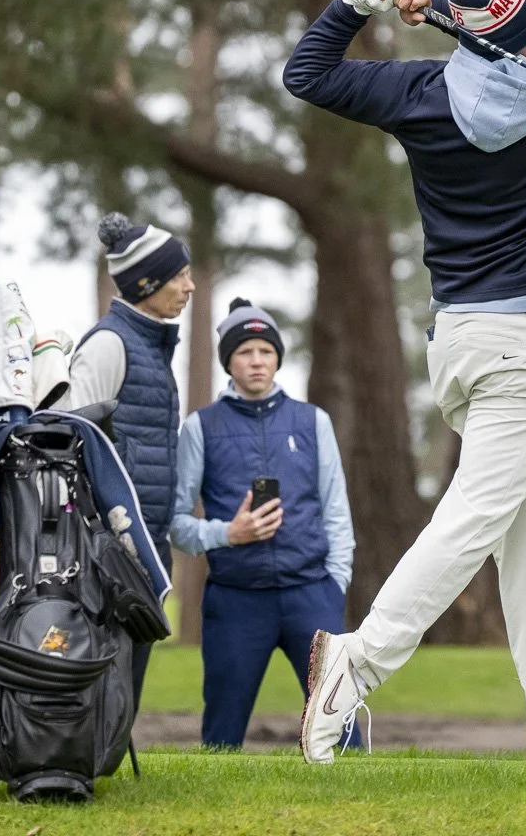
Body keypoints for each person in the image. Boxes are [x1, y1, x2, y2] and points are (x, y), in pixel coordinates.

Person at [283, 0, 526, 767]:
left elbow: (306, 73)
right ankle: (359, 659)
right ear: (524, 41)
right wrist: (463, 25)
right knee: (475, 520)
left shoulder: (415, 97)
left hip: (457, 344)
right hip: (525, 347)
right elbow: (517, 55)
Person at [170, 298, 357, 749]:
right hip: (235, 601)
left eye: (265, 351)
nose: (257, 360)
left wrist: (335, 584)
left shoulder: (313, 421)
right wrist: (226, 534)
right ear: (228, 361)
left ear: (277, 357)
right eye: (245, 352)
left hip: (311, 593)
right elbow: (175, 522)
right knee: (221, 740)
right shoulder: (200, 428)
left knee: (343, 735)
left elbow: (337, 510)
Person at [71, 211, 195, 703]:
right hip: (108, 552)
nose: (189, 287)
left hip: (144, 544)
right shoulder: (108, 344)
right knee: (103, 677)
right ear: (148, 282)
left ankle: (105, 765)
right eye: (180, 276)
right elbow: (72, 444)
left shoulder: (151, 347)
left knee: (126, 683)